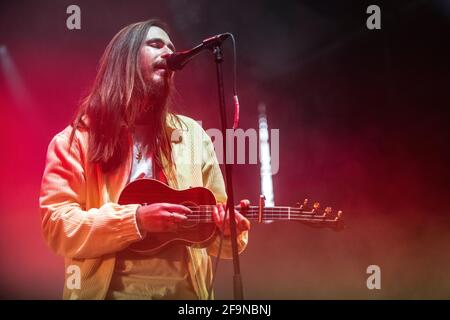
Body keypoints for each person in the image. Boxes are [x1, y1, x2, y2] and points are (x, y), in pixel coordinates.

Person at [39, 19, 250, 300]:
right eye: (155, 44)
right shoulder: (75, 140)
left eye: (171, 46)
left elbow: (215, 222)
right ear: (124, 60)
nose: (168, 52)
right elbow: (57, 225)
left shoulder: (192, 136)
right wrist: (136, 220)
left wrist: (226, 230)